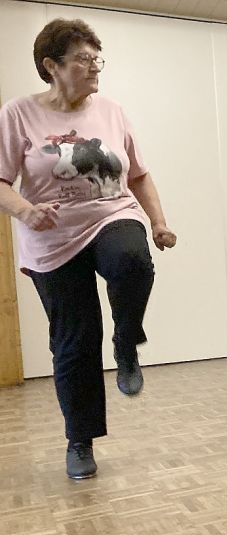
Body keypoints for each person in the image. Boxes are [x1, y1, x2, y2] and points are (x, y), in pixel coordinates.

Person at [0, 19, 177, 479]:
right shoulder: (18, 113)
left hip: (110, 213)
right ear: (51, 66)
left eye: (98, 59)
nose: (95, 67)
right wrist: (25, 211)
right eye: (84, 59)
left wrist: (157, 222)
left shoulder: (112, 111)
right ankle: (80, 441)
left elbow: (136, 174)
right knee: (74, 343)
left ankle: (126, 340)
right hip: (50, 237)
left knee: (131, 259)